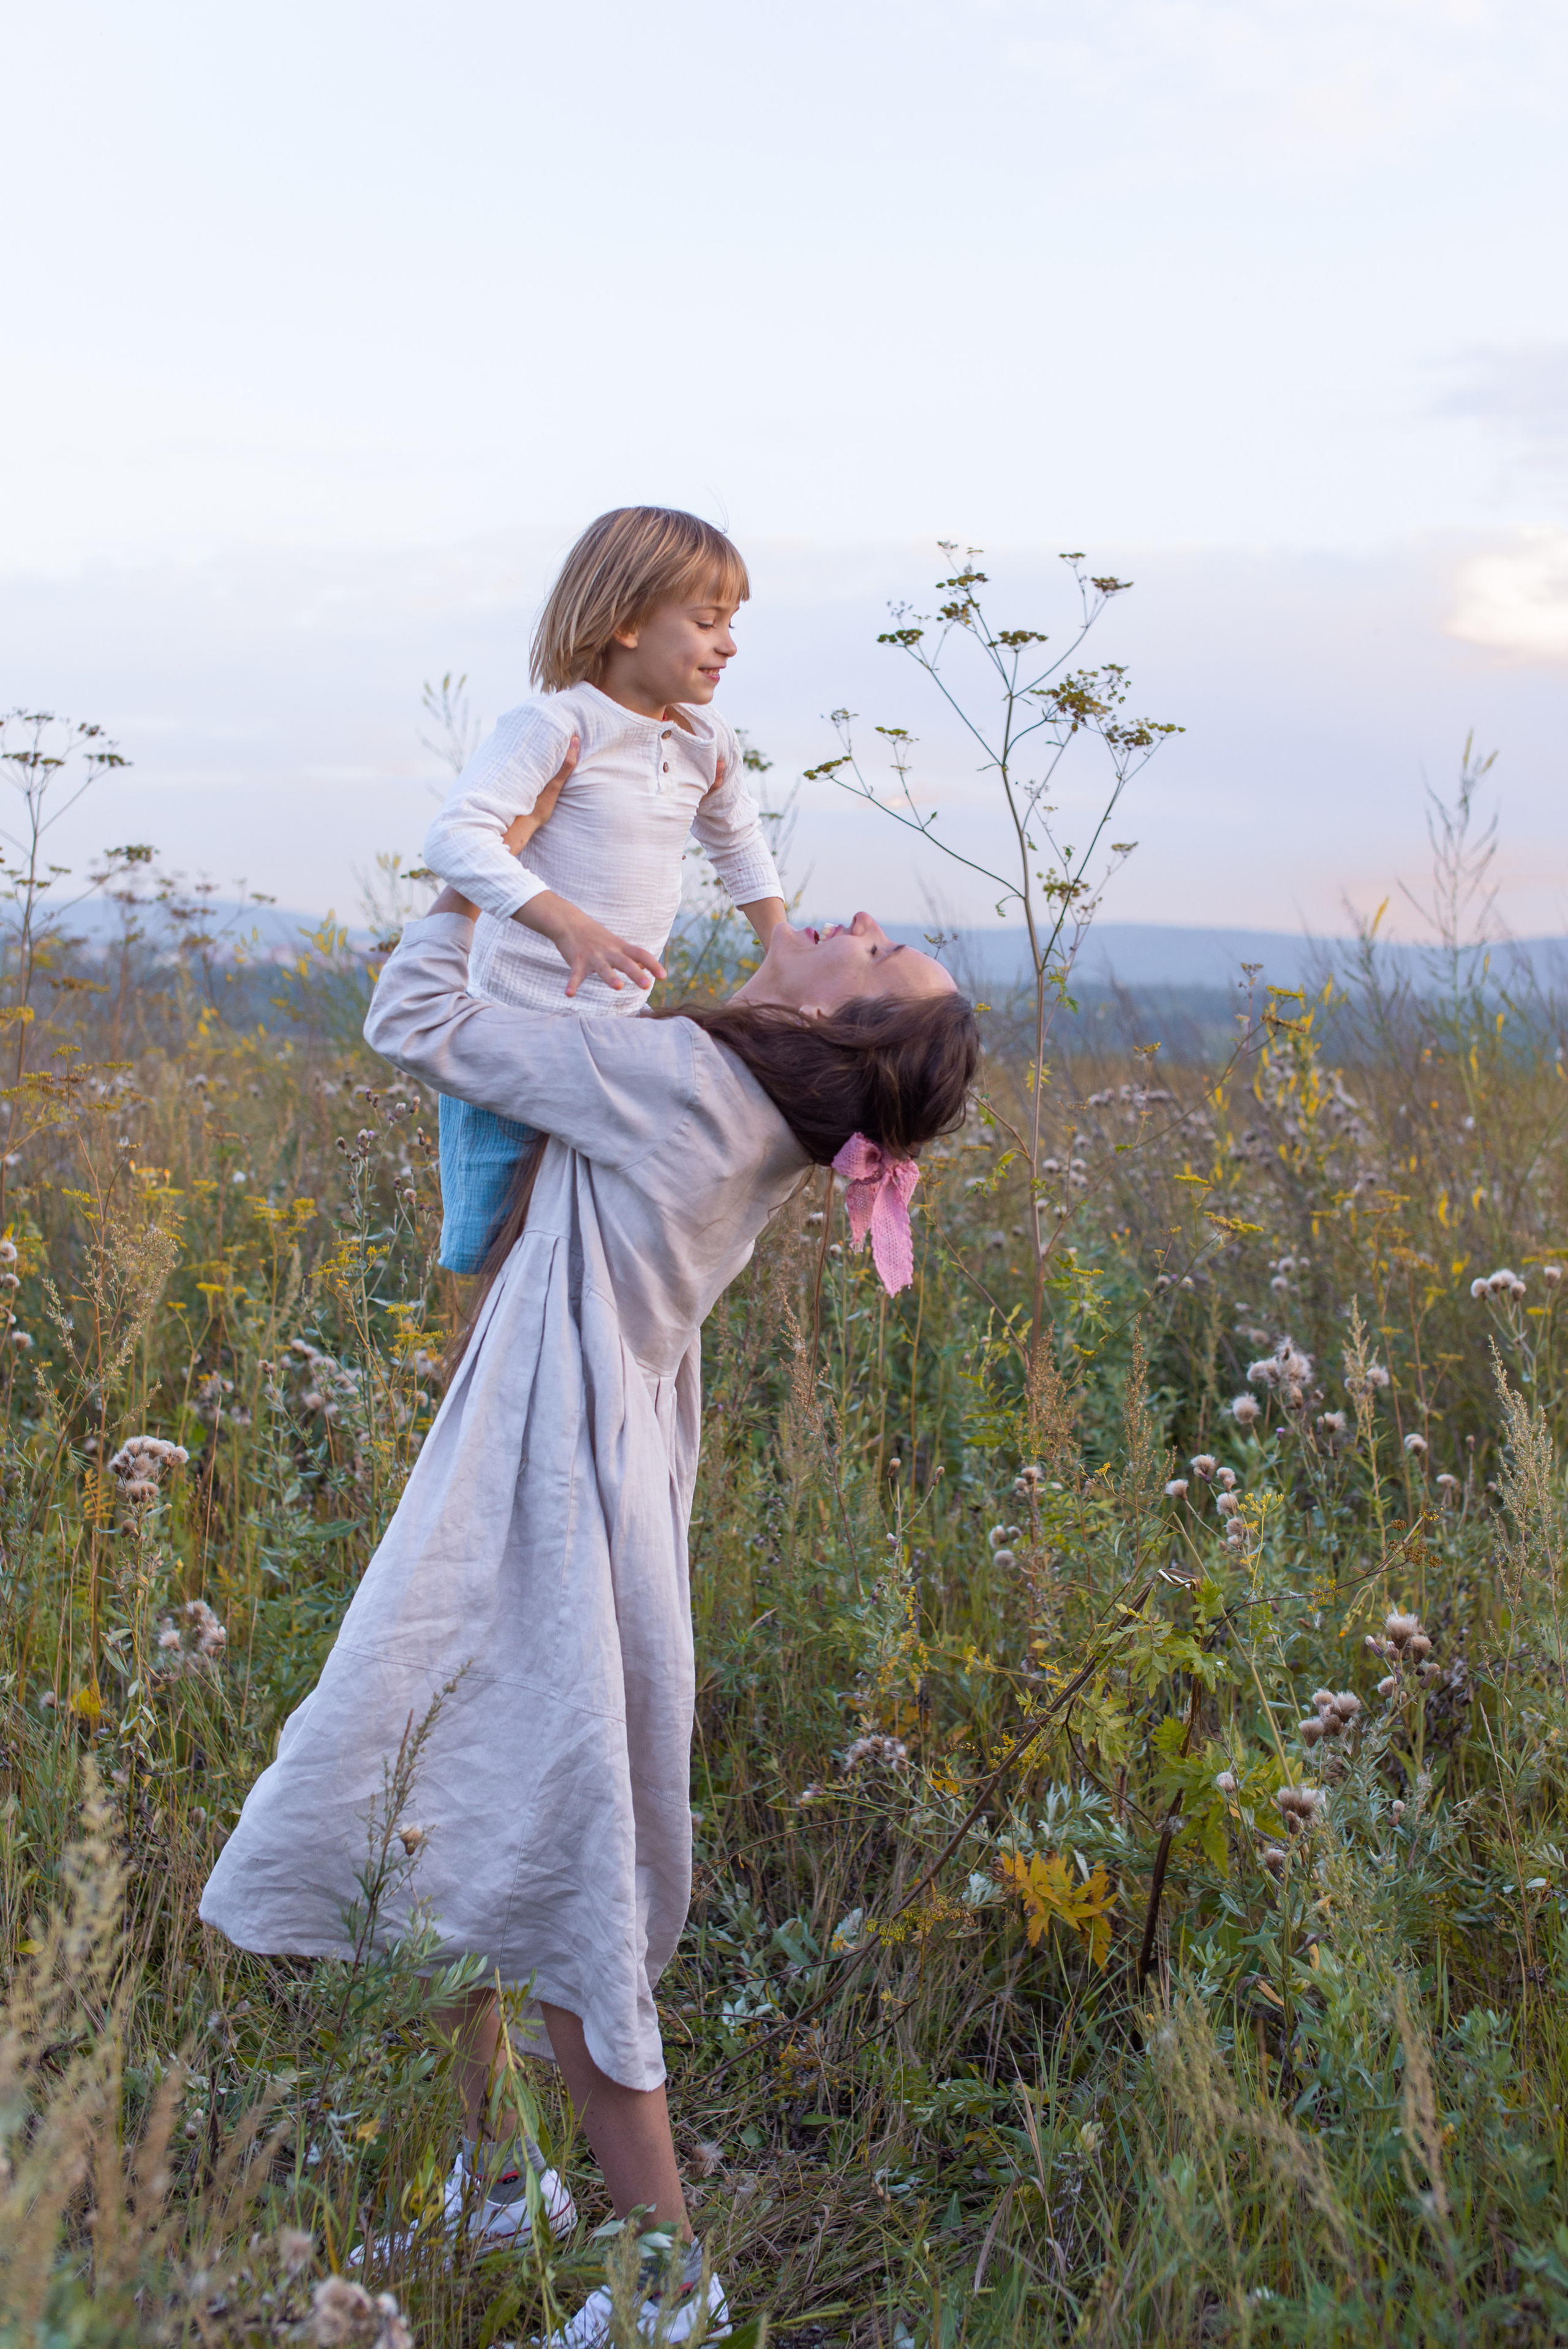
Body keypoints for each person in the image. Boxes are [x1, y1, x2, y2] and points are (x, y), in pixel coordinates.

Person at [200, 883, 978, 2345]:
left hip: (545, 1492)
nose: (858, 915)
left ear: (825, 1014)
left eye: (876, 950)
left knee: (565, 1865)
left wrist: (476, 878)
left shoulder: (685, 1080)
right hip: (572, 1465)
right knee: (433, 1793)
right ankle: (499, 2182)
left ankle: (674, 2287)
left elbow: (413, 1017)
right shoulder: (735, 1096)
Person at [421, 504, 786, 1274]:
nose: (728, 643)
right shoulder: (557, 726)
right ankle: (488, 1373)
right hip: (515, 1028)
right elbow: (455, 838)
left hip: (617, 1032)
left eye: (732, 622)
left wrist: (781, 943)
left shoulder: (704, 741)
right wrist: (565, 925)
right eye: (706, 621)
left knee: (593, 1237)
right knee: (492, 1246)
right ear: (626, 622)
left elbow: (737, 839)